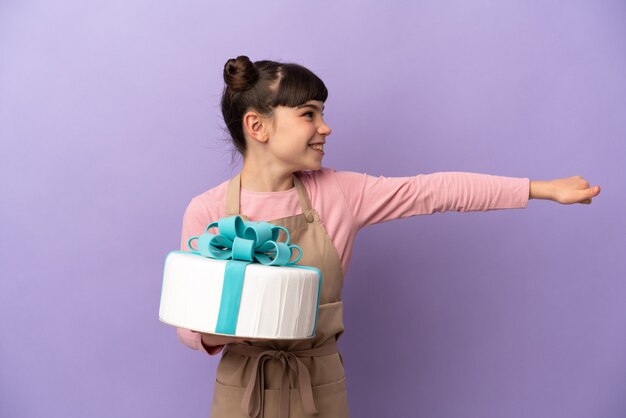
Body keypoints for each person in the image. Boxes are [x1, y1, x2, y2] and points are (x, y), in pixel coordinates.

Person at [175, 55, 601, 418]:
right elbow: (190, 328)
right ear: (258, 126)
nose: (325, 127)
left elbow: (435, 191)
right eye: (309, 114)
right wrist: (236, 318)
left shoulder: (339, 193)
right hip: (241, 389)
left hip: (319, 383)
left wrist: (540, 188)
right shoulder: (208, 211)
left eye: (322, 113)